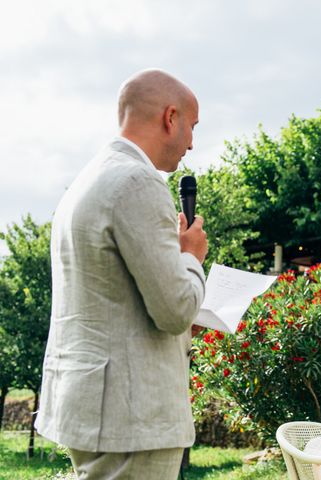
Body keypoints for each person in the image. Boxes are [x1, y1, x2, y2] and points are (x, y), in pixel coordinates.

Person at [35, 69, 209, 479]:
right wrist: (192, 257)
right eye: (192, 127)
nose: (191, 143)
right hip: (132, 418)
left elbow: (112, 299)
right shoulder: (138, 181)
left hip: (90, 404)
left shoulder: (88, 179)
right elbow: (174, 309)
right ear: (171, 117)